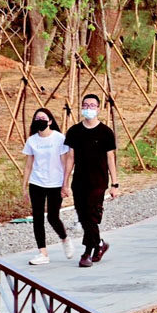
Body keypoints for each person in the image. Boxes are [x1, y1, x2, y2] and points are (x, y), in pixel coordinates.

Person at [63, 94, 119, 268]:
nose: (89, 108)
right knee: (83, 215)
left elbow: (110, 158)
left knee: (91, 215)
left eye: (92, 105)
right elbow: (70, 158)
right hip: (79, 180)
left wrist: (114, 184)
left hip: (99, 180)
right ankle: (99, 244)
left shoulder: (106, 132)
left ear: (98, 109)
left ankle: (87, 252)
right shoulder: (74, 131)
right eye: (85, 105)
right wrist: (64, 183)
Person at [21, 107, 74, 265]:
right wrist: (24, 187)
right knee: (37, 218)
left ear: (50, 121)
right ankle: (43, 253)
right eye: (37, 118)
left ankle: (64, 238)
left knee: (52, 216)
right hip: (37, 182)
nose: (40, 121)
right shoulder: (32, 140)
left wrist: (66, 185)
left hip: (55, 183)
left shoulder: (59, 138)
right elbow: (28, 165)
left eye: (43, 118)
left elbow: (65, 163)